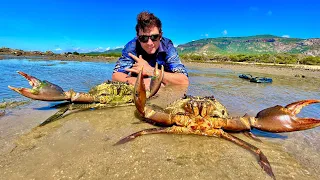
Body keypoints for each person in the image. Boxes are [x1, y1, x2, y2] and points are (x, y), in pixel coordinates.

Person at [112, 11, 189, 88]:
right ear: (138, 38)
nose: (149, 43)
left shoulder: (167, 46)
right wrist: (138, 82)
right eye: (143, 38)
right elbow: (116, 76)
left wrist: (150, 71)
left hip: (164, 81)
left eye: (154, 37)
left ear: (160, 35)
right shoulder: (132, 46)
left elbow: (184, 81)